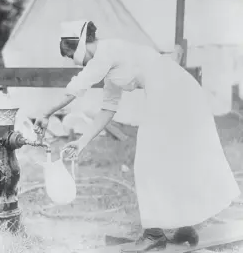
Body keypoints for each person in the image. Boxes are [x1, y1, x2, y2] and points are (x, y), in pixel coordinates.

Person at [34, 20, 240, 252]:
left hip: (172, 90)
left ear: (80, 43)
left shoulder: (106, 51)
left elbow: (77, 87)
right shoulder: (110, 64)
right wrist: (81, 142)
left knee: (148, 161)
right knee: (174, 159)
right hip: (178, 89)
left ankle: (154, 234)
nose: (72, 60)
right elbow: (108, 109)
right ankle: (184, 224)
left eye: (70, 54)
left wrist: (45, 113)